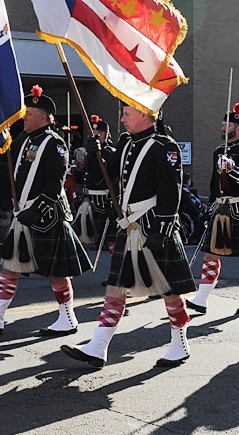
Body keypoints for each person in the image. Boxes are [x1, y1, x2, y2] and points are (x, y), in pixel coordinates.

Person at [61, 104, 195, 369]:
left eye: (126, 114)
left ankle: (180, 344)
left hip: (152, 225)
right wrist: (96, 154)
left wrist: (164, 227)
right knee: (116, 287)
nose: (121, 118)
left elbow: (171, 189)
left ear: (144, 115)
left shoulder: (163, 146)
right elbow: (111, 174)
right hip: (129, 224)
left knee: (169, 290)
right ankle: (98, 346)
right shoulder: (126, 143)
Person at [0, 86, 92, 336]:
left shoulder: (55, 144)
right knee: (9, 265)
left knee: (55, 272)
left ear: (44, 118)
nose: (24, 117)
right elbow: (4, 158)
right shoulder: (24, 140)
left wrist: (37, 210)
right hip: (22, 213)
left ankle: (67, 317)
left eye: (30, 113)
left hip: (46, 216)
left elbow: (54, 183)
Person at [186, 103, 239, 316]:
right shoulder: (218, 151)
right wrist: (210, 207)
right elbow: (215, 183)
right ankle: (202, 298)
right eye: (223, 124)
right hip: (220, 208)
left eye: (228, 124)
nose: (223, 127)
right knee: (211, 254)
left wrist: (233, 170)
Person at [73, 114, 117, 249]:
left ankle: (103, 242)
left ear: (104, 135)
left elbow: (102, 175)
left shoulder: (110, 152)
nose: (93, 136)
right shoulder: (90, 152)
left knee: (101, 225)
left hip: (102, 196)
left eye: (97, 134)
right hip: (88, 195)